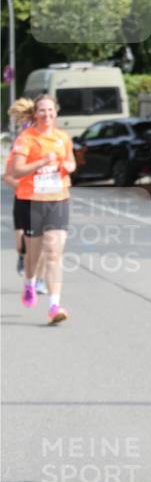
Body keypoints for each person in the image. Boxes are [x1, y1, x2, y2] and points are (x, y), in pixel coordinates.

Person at [11, 94, 76, 324]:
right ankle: (29, 283)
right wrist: (41, 162)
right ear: (35, 114)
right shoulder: (26, 139)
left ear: (56, 112)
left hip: (58, 200)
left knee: (53, 252)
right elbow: (16, 171)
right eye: (42, 111)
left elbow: (71, 161)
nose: (47, 115)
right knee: (33, 256)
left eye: (50, 110)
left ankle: (54, 306)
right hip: (32, 201)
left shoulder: (63, 138)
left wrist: (69, 165)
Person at [3, 98, 47, 292]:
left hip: (46, 198)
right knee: (22, 240)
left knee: (45, 240)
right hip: (23, 196)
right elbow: (7, 175)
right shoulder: (22, 141)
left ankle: (40, 280)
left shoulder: (50, 138)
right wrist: (20, 184)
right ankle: (23, 257)